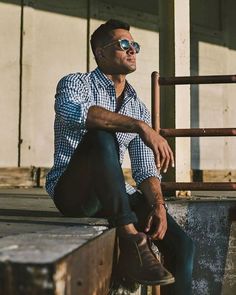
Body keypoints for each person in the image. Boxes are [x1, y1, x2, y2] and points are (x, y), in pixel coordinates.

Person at [46, 19, 195, 294]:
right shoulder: (76, 83)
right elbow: (72, 113)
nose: (132, 50)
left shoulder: (137, 106)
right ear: (100, 53)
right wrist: (139, 127)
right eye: (123, 44)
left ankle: (137, 234)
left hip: (114, 193)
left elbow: (144, 169)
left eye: (134, 45)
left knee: (183, 246)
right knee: (101, 134)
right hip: (75, 193)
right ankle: (130, 239)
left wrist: (158, 205)